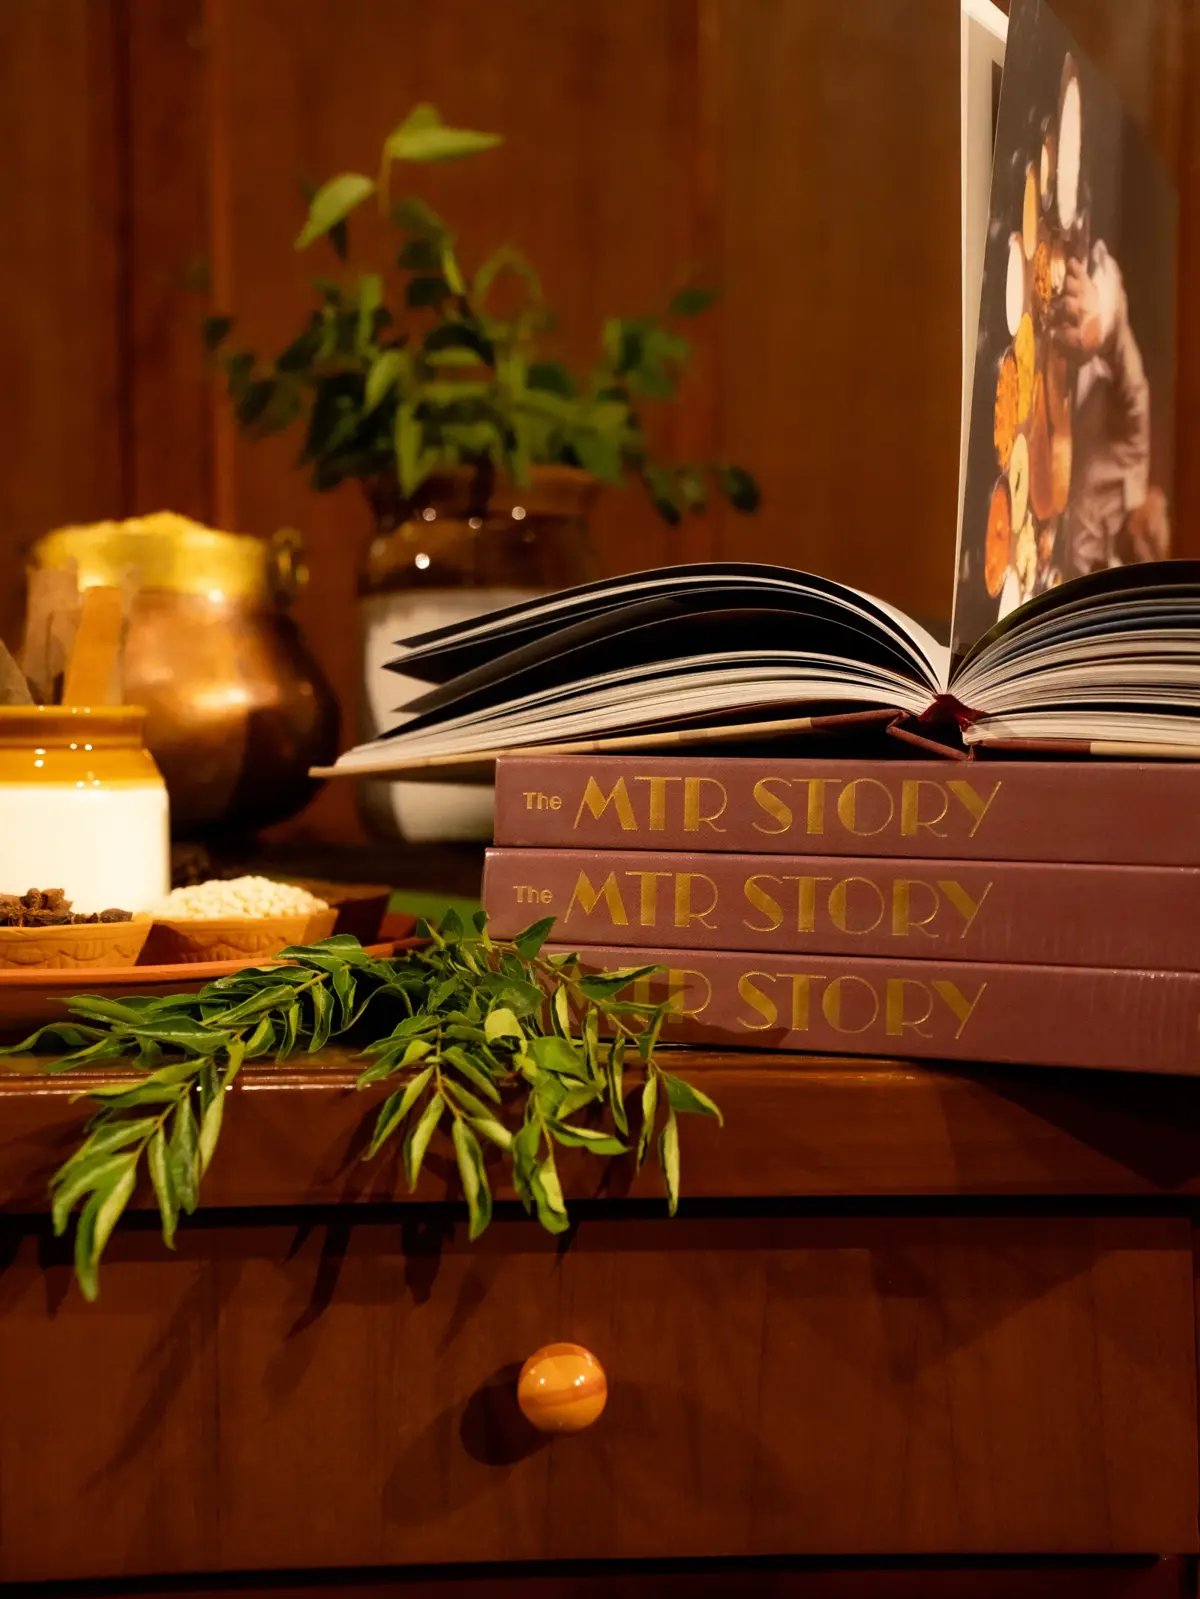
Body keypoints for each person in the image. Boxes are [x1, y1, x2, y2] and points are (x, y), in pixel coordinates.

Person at [1051, 241, 1167, 574]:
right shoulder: (1132, 454)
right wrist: (1098, 322)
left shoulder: (1104, 576)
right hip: (1047, 376)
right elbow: (1117, 324)